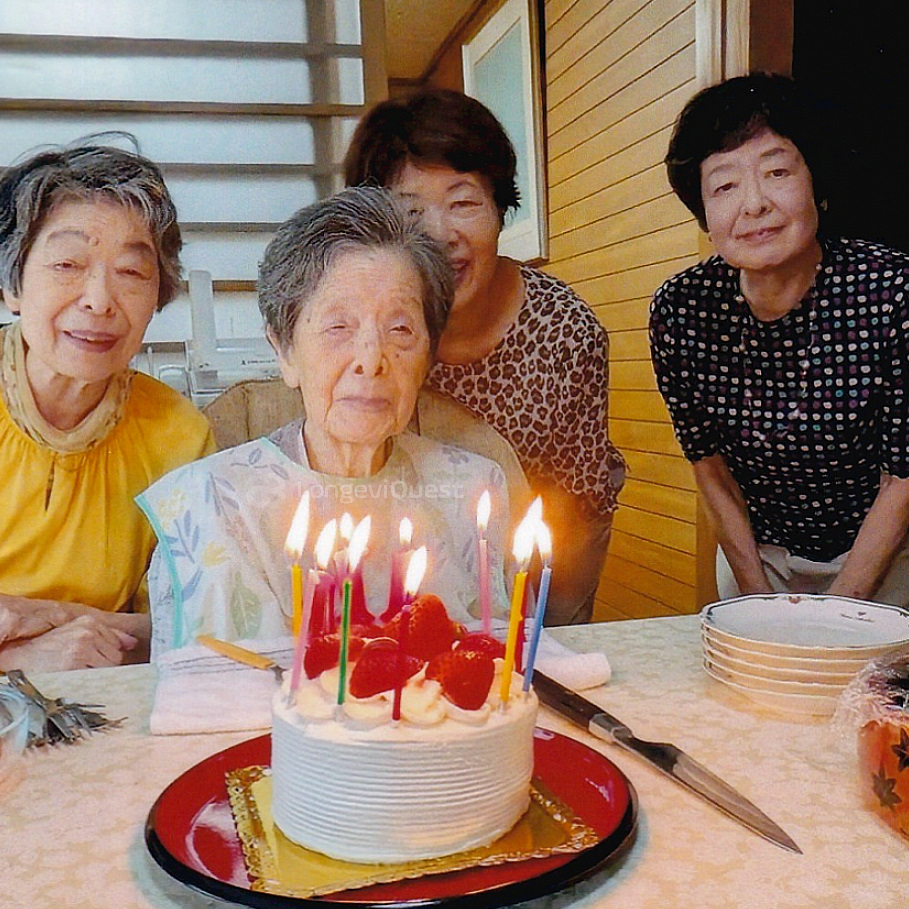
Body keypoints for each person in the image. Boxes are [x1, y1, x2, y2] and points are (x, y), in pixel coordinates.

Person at [139, 186, 514, 655]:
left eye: (400, 329)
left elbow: (499, 663)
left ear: (428, 355)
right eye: (339, 326)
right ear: (284, 351)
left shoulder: (472, 489)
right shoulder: (209, 506)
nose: (370, 360)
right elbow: (203, 688)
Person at [343, 88, 626, 625]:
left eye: (464, 202)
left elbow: (574, 507)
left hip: (540, 552)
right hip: (394, 558)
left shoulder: (564, 331)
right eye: (410, 211)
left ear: (500, 209)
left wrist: (546, 626)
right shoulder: (367, 330)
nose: (439, 234)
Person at [650, 73, 909, 605]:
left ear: (815, 181)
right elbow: (710, 470)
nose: (754, 204)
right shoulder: (680, 310)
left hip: (887, 557)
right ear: (704, 212)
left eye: (776, 172)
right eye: (724, 186)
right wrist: (758, 598)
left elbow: (902, 478)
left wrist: (840, 609)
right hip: (758, 558)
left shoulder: (892, 290)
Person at [0, 140, 215, 671]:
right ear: (12, 286)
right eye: (67, 264)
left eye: (132, 272)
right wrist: (21, 655)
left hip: (101, 700)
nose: (98, 300)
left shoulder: (180, 439)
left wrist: (49, 618)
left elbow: (196, 625)